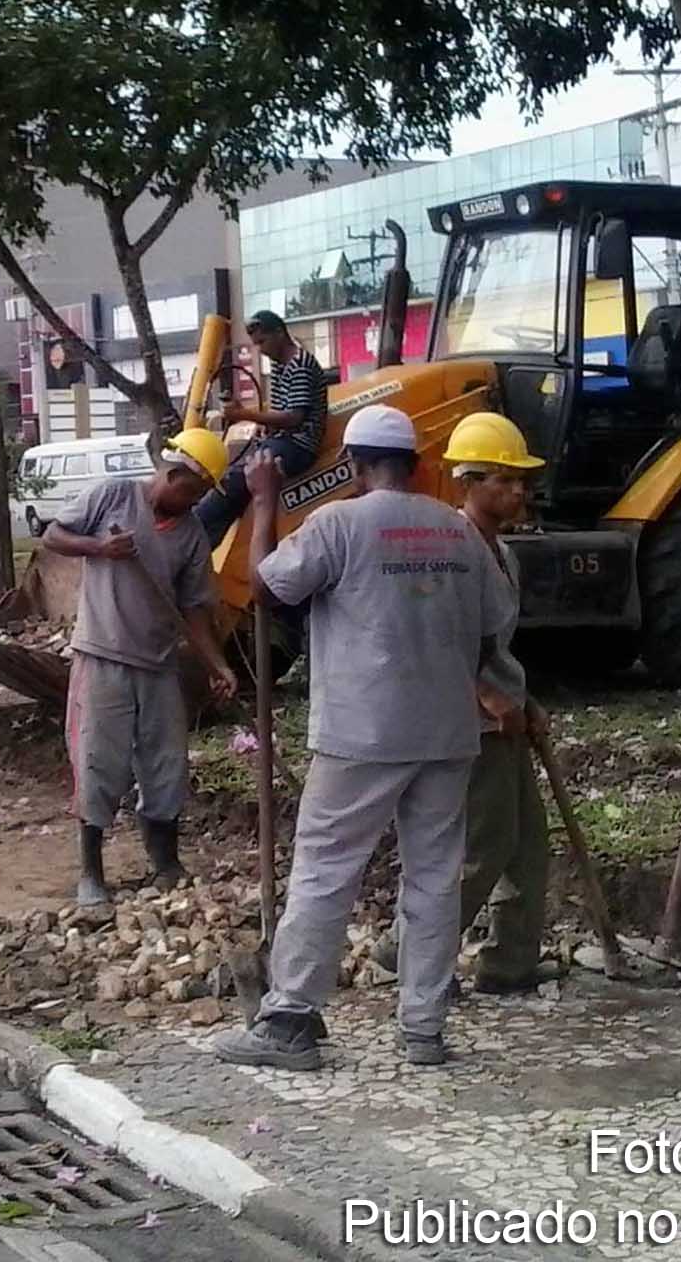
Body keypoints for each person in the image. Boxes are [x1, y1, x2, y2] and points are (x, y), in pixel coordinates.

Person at [213, 404, 512, 1072]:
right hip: (447, 732)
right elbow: (495, 627)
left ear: (350, 464)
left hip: (362, 732)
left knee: (325, 870)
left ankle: (290, 1018)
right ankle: (425, 1030)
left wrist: (263, 502)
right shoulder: (458, 533)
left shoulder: (339, 522)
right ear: (415, 465)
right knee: (435, 880)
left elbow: (266, 587)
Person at [371, 412, 559, 994]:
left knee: (529, 846)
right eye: (503, 480)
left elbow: (493, 642)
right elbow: (434, 635)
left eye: (521, 480)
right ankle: (409, 952)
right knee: (482, 847)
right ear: (469, 482)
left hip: (502, 712)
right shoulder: (444, 550)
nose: (518, 491)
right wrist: (486, 695)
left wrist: (524, 698)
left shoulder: (502, 552)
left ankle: (510, 962)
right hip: (468, 721)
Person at [42, 430, 241, 906]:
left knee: (165, 765)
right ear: (172, 475)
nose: (193, 503)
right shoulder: (112, 495)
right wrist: (99, 549)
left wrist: (218, 665)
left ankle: (166, 864)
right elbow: (53, 535)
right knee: (98, 762)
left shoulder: (191, 534)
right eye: (190, 491)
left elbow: (194, 608)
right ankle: (91, 873)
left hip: (158, 665)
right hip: (103, 655)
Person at [195, 310, 331, 543]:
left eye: (262, 341)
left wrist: (246, 414)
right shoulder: (279, 364)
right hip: (281, 440)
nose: (260, 349)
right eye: (256, 344)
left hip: (298, 447)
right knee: (229, 473)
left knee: (236, 482)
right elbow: (279, 411)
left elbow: (293, 417)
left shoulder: (300, 365)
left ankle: (199, 528)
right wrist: (263, 425)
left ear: (279, 333)